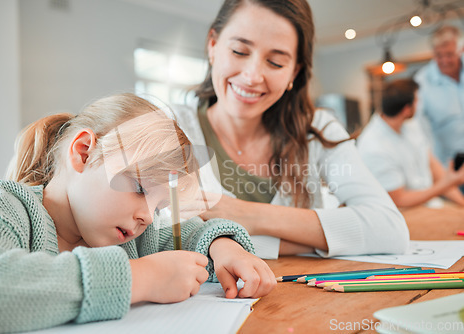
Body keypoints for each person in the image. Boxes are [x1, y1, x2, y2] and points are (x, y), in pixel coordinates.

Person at [0, 93, 275, 333]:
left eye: (158, 206)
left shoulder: (134, 234)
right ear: (83, 152)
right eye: (140, 188)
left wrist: (223, 246)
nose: (149, 217)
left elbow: (191, 232)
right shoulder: (6, 205)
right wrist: (139, 278)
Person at [172, 0, 409, 259]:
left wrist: (245, 214)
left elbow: (389, 229)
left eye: (275, 62)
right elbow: (157, 238)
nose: (252, 77)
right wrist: (308, 241)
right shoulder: (167, 127)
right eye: (240, 51)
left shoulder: (319, 129)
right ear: (213, 45)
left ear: (294, 72)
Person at [357, 79, 464, 208]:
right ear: (407, 109)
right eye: (416, 101)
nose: (418, 104)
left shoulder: (410, 124)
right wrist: (446, 184)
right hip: (403, 213)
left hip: (431, 205)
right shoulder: (374, 147)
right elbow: (399, 200)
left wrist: (461, 203)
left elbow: (432, 164)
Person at [414, 25, 464, 170]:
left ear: (461, 50)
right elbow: (418, 128)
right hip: (449, 165)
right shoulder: (422, 82)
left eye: (449, 54)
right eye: (438, 55)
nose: (444, 61)